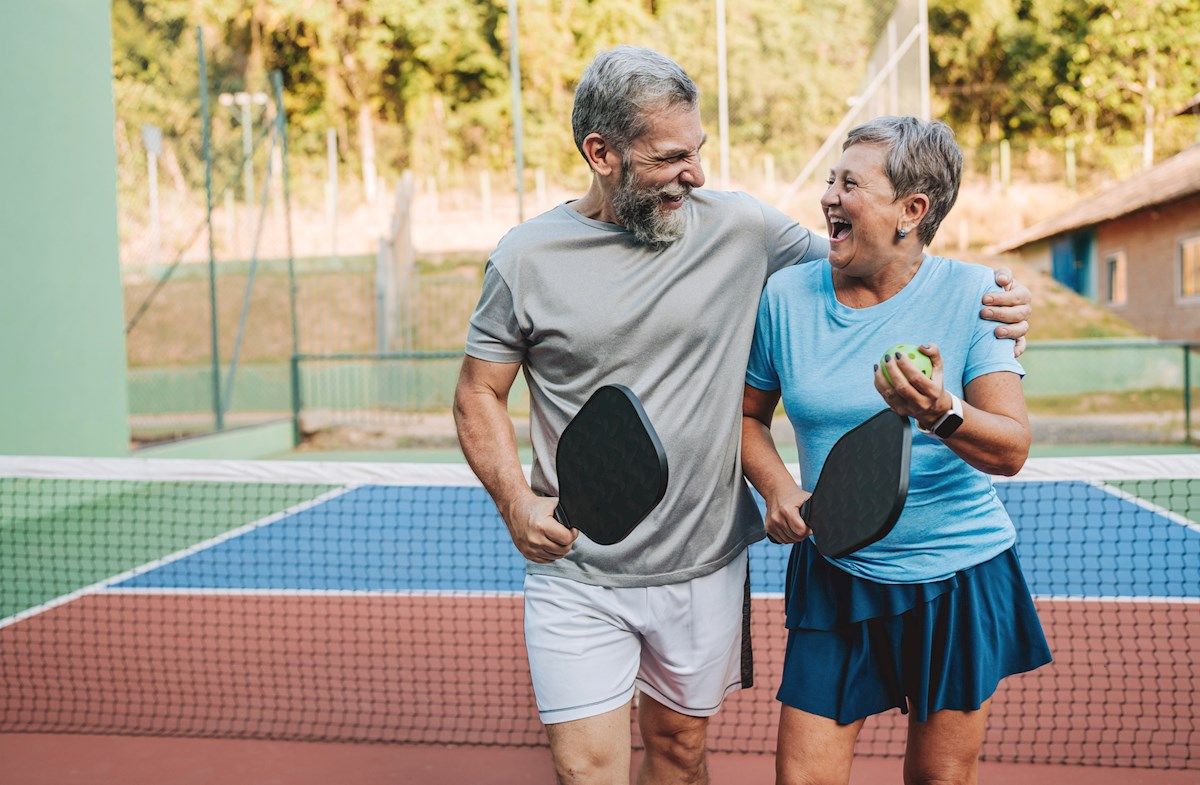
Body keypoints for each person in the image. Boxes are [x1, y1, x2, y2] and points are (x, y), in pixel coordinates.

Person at [454, 48, 1031, 785]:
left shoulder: (743, 229)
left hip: (708, 563)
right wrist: (514, 500)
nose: (695, 174)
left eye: (698, 152)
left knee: (683, 754)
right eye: (671, 156)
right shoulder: (526, 258)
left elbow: (886, 259)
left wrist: (998, 300)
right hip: (580, 566)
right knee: (585, 771)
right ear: (601, 153)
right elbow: (478, 392)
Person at [740, 116, 1052, 785]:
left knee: (938, 778)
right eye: (830, 179)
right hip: (835, 567)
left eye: (849, 183)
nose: (828, 195)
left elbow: (1011, 448)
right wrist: (777, 487)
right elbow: (747, 417)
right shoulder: (785, 297)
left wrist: (941, 412)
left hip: (958, 575)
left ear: (912, 210)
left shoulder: (977, 297)